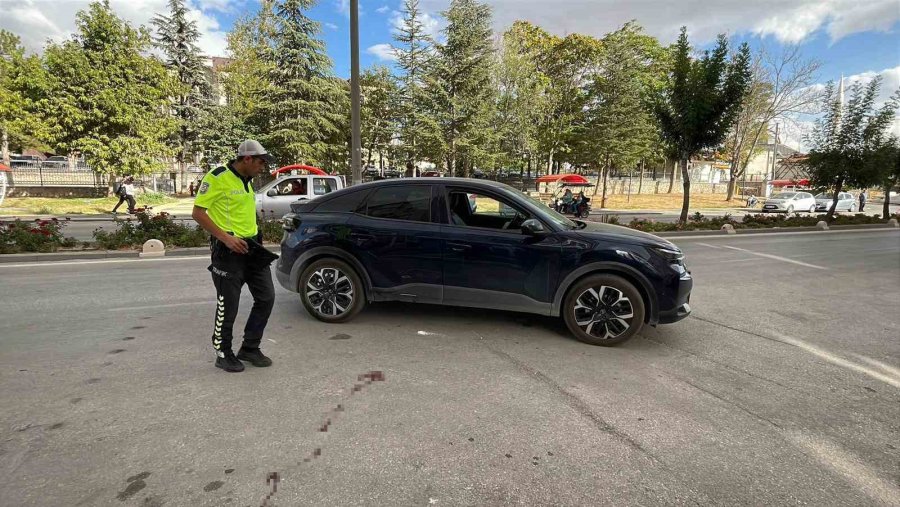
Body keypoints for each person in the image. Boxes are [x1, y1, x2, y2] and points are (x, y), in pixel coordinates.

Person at [192, 140, 277, 373]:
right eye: (260, 162)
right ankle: (223, 352)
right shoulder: (218, 177)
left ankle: (250, 347)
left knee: (267, 297)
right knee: (227, 305)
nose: (263, 167)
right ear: (247, 158)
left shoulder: (247, 181)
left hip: (251, 248)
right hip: (228, 250)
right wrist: (225, 238)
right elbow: (198, 213)